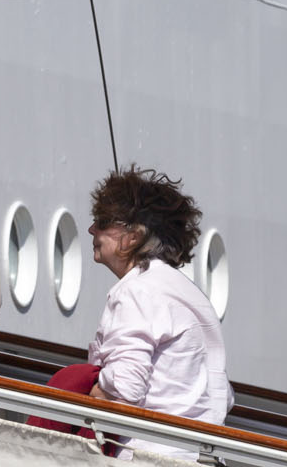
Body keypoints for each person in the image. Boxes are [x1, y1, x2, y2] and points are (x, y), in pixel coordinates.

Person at [82, 168, 232, 450]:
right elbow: (221, 393)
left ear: (133, 237)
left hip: (146, 463)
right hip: (198, 456)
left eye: (102, 221)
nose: (92, 229)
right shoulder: (188, 292)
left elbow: (125, 387)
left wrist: (88, 391)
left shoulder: (137, 290)